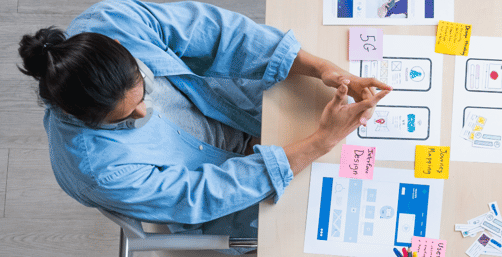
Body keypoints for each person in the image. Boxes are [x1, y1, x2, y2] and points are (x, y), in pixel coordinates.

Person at [18, 0, 390, 243]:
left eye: (141, 92)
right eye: (125, 118)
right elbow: (204, 194)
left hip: (230, 107)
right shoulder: (97, 169)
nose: (143, 112)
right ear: (86, 119)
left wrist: (323, 68)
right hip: (226, 183)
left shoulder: (112, 22)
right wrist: (322, 141)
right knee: (324, 224)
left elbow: (217, 33)